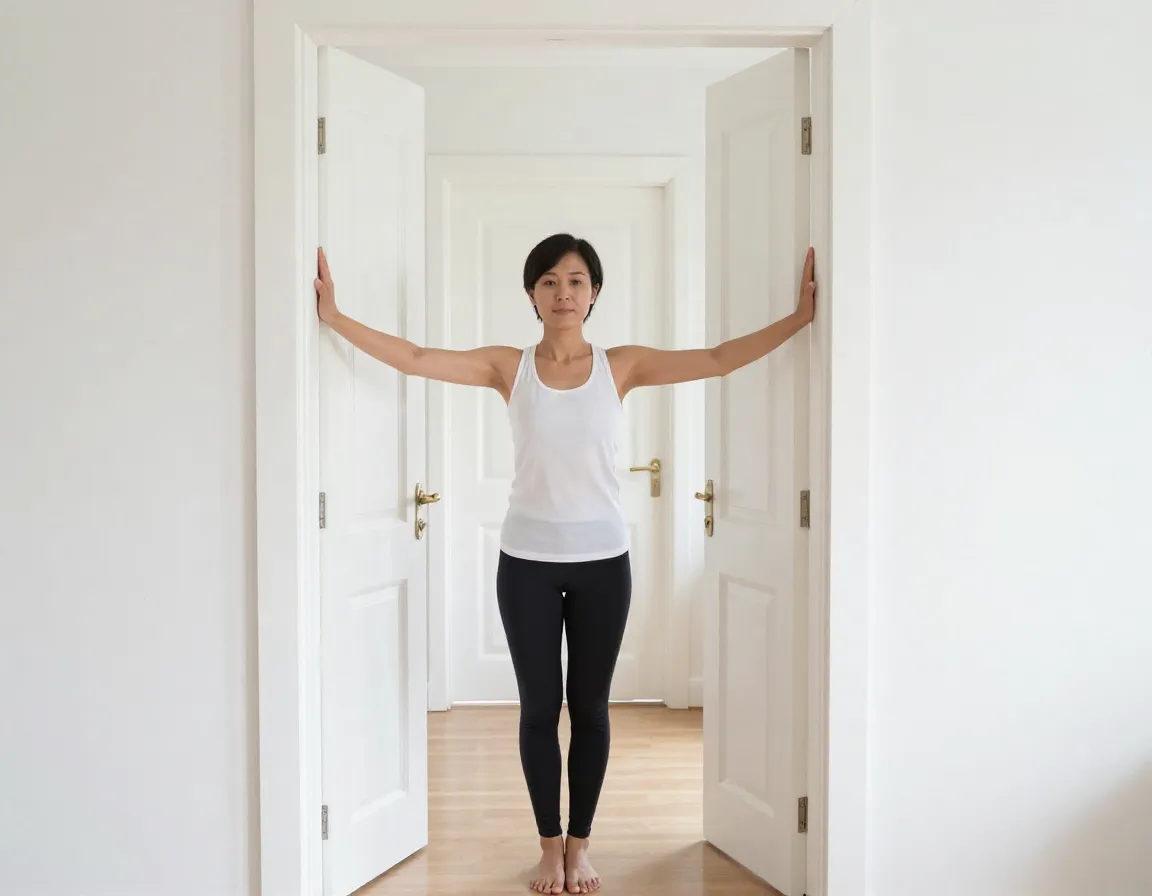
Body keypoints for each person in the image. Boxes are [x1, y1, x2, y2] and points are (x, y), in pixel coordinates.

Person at [314, 234, 816, 895]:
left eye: (576, 281)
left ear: (595, 293)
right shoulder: (508, 367)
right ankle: (548, 849)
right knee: (537, 710)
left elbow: (719, 360)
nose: (563, 293)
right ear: (531, 294)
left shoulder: (622, 366)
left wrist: (799, 319)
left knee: (592, 709)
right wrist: (334, 317)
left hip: (604, 564)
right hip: (525, 564)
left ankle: (582, 846)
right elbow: (413, 358)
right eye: (549, 281)